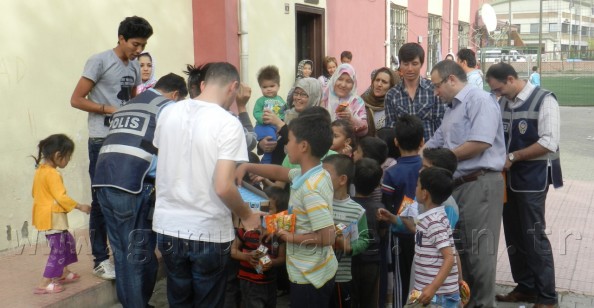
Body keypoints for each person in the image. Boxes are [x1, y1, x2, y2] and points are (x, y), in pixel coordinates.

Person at [153, 62, 262, 307]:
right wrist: (247, 215)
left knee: (178, 299)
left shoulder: (169, 112)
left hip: (169, 226)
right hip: (207, 230)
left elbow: (167, 160)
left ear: (204, 84)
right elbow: (223, 186)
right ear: (233, 87)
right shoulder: (228, 123)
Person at [92, 73, 188, 307]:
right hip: (132, 186)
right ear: (176, 95)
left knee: (124, 254)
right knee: (136, 256)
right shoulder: (168, 107)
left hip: (103, 182)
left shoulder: (129, 104)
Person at [70, 15, 153, 281]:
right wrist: (108, 109)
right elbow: (76, 99)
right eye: (135, 44)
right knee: (100, 201)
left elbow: (133, 101)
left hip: (124, 142)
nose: (139, 51)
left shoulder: (135, 68)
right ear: (121, 38)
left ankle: (122, 256)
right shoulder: (99, 61)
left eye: (143, 45)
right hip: (100, 141)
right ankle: (100, 258)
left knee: (126, 197)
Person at [235, 110, 338, 308]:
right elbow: (280, 172)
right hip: (316, 269)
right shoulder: (314, 174)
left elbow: (327, 237)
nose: (286, 144)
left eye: (288, 140)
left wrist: (287, 237)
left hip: (309, 276)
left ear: (304, 146)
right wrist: (248, 167)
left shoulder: (310, 190)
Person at [425, 59, 506, 308]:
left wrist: (443, 159)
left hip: (479, 182)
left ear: (451, 79)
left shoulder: (479, 100)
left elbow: (480, 142)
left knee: (479, 254)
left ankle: (483, 304)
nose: (436, 93)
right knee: (461, 253)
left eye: (437, 86)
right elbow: (433, 144)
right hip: (457, 184)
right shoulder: (452, 109)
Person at [486, 63, 562, 308]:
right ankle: (526, 287)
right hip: (509, 180)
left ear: (511, 79)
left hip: (534, 177)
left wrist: (513, 157)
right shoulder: (504, 102)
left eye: (499, 89)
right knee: (514, 235)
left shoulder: (545, 100)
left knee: (533, 235)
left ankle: (547, 297)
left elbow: (549, 142)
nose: (498, 95)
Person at [380, 167, 461, 307]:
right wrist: (392, 217)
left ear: (425, 194)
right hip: (424, 290)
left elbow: (449, 257)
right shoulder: (431, 218)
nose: (415, 188)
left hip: (436, 295)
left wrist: (433, 288)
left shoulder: (434, 222)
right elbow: (423, 233)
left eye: (417, 185)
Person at [31, 134, 91, 294]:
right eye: (68, 157)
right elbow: (61, 197)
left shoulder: (40, 171)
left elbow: (34, 193)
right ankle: (44, 282)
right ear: (58, 155)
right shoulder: (52, 174)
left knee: (67, 242)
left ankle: (63, 271)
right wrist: (80, 206)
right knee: (58, 249)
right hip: (52, 218)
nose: (68, 160)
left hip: (47, 216)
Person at [381, 114, 425, 307]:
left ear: (396, 142)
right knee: (422, 279)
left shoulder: (391, 173)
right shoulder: (427, 167)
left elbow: (387, 202)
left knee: (402, 281)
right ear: (423, 141)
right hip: (424, 232)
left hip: (400, 233)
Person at [322, 154, 370, 308]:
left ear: (342, 180)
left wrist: (349, 247)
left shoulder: (357, 211)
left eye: (325, 175)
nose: (320, 179)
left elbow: (364, 239)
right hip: (316, 274)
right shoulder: (318, 202)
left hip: (340, 277)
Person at [230, 186, 288, 308]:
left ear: (279, 214)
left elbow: (282, 258)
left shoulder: (279, 235)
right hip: (249, 282)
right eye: (261, 206)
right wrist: (247, 257)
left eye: (269, 208)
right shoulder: (246, 229)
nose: (263, 211)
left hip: (270, 282)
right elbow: (233, 251)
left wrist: (271, 262)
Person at [385, 43, 445, 142]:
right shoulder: (392, 95)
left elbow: (440, 125)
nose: (410, 69)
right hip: (403, 153)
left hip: (430, 151)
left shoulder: (433, 90)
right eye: (405, 64)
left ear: (421, 64)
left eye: (414, 63)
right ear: (400, 64)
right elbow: (391, 127)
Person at [351, 158, 386, 308]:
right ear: (378, 185)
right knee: (371, 299)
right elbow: (383, 232)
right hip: (372, 260)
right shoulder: (379, 207)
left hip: (350, 259)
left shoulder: (349, 205)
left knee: (351, 298)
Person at [321, 63, 368, 136]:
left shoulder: (357, 101)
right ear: (334, 79)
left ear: (353, 84)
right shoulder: (324, 96)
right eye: (340, 79)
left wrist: (351, 118)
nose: (343, 85)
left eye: (348, 81)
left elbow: (364, 131)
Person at [253, 65, 287, 164]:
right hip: (264, 126)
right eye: (265, 87)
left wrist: (282, 123)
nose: (268, 89)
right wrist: (262, 118)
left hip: (276, 127)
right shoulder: (261, 101)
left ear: (278, 86)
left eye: (272, 86)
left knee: (277, 141)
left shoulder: (280, 100)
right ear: (260, 87)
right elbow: (256, 112)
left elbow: (284, 112)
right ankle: (266, 161)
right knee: (271, 141)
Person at [361, 67, 399, 136]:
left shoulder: (395, 107)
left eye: (384, 82)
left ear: (391, 86)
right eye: (377, 80)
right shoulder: (361, 103)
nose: (379, 84)